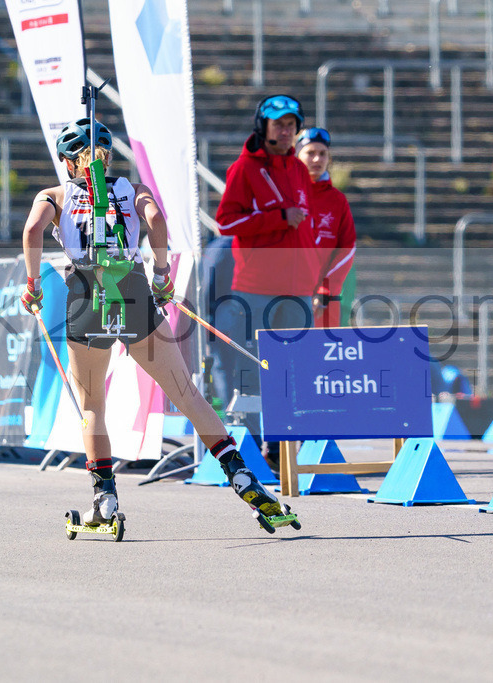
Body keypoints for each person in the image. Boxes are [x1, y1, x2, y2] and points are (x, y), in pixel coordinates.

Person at [19, 117, 289, 528]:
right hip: (132, 289)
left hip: (86, 294)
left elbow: (33, 229)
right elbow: (157, 221)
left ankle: (104, 496)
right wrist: (162, 274)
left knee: (92, 403)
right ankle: (240, 473)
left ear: (66, 161)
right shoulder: (132, 188)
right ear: (106, 158)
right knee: (186, 393)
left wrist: (33, 284)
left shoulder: (54, 194)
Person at [214, 94, 318, 399]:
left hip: (298, 288)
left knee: (297, 368)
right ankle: (254, 441)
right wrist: (277, 218)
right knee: (254, 370)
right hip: (256, 289)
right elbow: (226, 223)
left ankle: (288, 444)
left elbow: (305, 233)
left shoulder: (299, 170)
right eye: (278, 124)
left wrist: (314, 280)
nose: (285, 131)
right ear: (264, 127)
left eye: (290, 125)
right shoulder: (244, 168)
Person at [295, 127, 356, 328]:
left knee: (325, 355)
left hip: (324, 301)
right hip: (287, 296)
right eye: (310, 153)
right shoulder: (285, 195)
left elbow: (347, 250)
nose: (317, 159)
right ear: (296, 155)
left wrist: (325, 291)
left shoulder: (337, 200)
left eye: (322, 154)